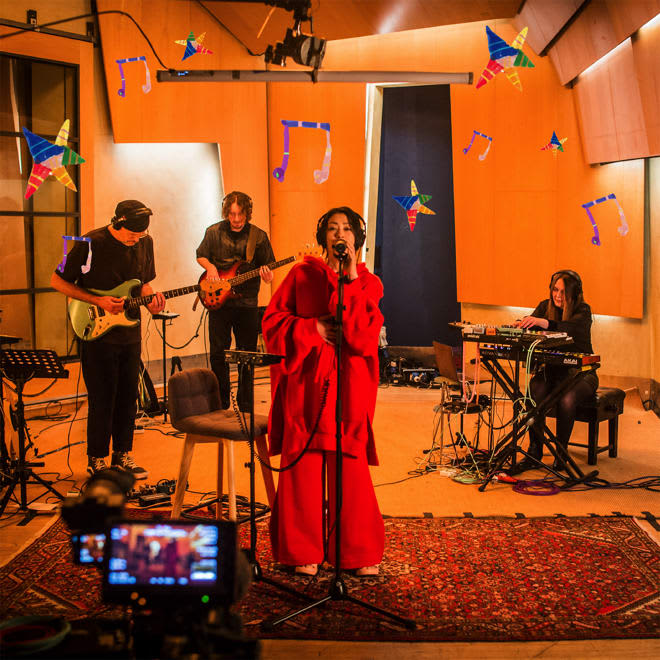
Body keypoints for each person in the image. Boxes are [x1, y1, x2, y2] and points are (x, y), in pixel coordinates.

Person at [262, 206, 384, 577]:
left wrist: (350, 279)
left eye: (347, 228)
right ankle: (302, 551)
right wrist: (311, 329)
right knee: (303, 469)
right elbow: (272, 323)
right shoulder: (301, 275)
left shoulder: (370, 284)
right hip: (306, 385)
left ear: (357, 239)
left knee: (350, 471)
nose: (339, 234)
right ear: (323, 238)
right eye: (332, 228)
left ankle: (356, 552)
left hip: (350, 386)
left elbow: (363, 337)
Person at [51, 200, 165, 478]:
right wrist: (97, 300)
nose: (135, 240)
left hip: (130, 330)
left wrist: (152, 301)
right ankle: (96, 458)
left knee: (128, 397)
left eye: (140, 235)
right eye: (131, 234)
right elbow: (57, 281)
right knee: (102, 397)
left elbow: (143, 283)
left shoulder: (145, 243)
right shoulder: (90, 243)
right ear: (118, 222)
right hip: (96, 330)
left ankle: (122, 454)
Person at [510, 269, 598, 474]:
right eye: (555, 290)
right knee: (534, 390)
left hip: (581, 374)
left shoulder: (583, 311)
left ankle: (561, 453)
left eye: (564, 292)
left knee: (567, 399)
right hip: (552, 372)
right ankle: (534, 451)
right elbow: (531, 325)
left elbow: (569, 329)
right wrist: (522, 325)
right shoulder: (544, 306)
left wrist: (544, 323)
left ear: (574, 293)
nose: (558, 295)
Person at [196, 191, 274, 411]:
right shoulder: (213, 232)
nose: (236, 219)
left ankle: (245, 404)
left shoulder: (258, 236)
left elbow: (268, 268)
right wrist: (210, 267)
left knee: (247, 354)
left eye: (240, 214)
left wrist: (268, 276)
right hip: (219, 304)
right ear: (226, 213)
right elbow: (200, 254)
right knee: (217, 354)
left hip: (247, 304)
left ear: (247, 213)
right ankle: (220, 402)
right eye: (232, 214)